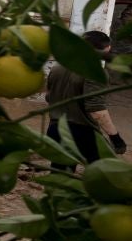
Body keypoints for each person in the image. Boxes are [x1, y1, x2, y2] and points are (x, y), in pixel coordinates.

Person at [45, 29, 125, 160]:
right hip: (82, 133)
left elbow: (49, 97)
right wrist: (115, 137)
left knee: (62, 175)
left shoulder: (57, 68)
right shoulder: (95, 73)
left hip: (55, 129)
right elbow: (97, 110)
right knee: (100, 173)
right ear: (106, 49)